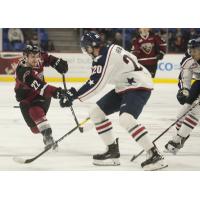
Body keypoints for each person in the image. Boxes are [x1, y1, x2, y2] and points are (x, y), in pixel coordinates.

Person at [59, 32, 167, 170]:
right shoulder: (107, 50)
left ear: (90, 47)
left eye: (85, 48)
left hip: (139, 84)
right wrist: (73, 94)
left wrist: (72, 95)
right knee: (95, 112)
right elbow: (95, 79)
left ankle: (154, 154)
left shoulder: (103, 57)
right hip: (125, 85)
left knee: (126, 119)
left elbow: (96, 84)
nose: (85, 51)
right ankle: (112, 151)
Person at [14, 45, 68, 149]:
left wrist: (58, 63)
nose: (35, 59)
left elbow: (47, 58)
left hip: (41, 95)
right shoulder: (23, 71)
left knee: (35, 110)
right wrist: (58, 92)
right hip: (26, 99)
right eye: (32, 57)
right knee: (34, 130)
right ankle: (44, 131)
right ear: (25, 57)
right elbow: (40, 86)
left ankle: (48, 136)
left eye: (37, 56)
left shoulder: (40, 57)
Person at [165, 38, 200, 154]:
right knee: (181, 115)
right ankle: (182, 136)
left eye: (194, 50)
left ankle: (176, 140)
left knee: (195, 112)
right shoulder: (188, 60)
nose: (191, 53)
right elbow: (185, 79)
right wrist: (184, 91)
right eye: (190, 50)